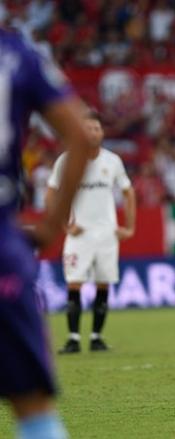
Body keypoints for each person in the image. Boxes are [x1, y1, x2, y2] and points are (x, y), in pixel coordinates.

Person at [0, 28, 91, 439]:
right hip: (3, 242)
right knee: (32, 404)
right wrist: (51, 226)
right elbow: (79, 133)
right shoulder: (16, 54)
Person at [46, 110, 135, 354]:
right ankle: (73, 339)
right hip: (79, 234)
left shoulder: (112, 161)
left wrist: (130, 227)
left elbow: (128, 191)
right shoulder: (67, 160)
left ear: (102, 132)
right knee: (74, 284)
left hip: (107, 234)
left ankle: (96, 338)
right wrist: (64, 224)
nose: (93, 132)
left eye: (96, 128)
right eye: (88, 129)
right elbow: (52, 192)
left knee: (103, 285)